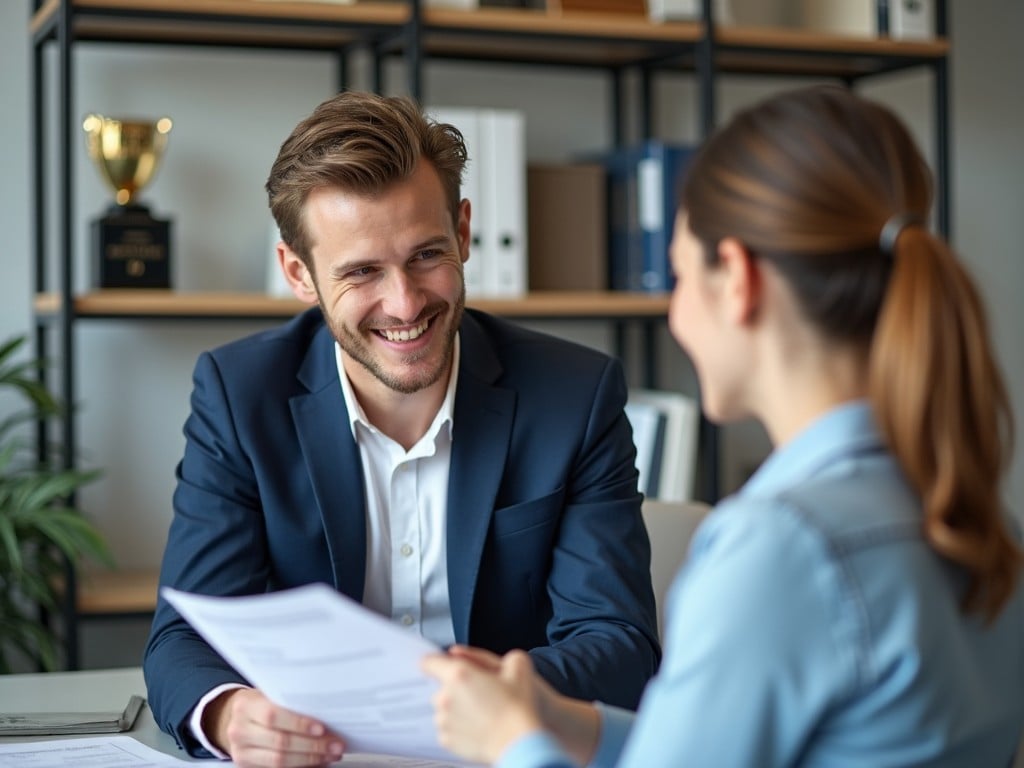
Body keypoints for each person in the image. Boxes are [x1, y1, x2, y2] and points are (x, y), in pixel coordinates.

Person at [424, 85, 1024, 767]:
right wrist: (564, 723)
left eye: (678, 277)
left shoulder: (780, 548)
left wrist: (511, 745)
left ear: (736, 278)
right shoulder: (982, 522)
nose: (676, 316)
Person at [143, 91, 660, 766]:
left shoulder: (575, 396)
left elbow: (618, 642)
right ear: (299, 273)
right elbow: (182, 636)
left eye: (425, 256)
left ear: (465, 232)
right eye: (362, 271)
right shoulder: (239, 397)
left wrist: (474, 698)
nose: (406, 303)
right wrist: (233, 714)